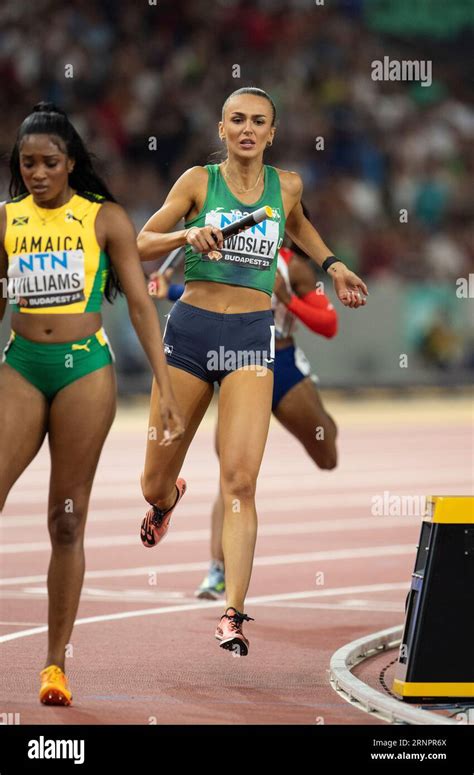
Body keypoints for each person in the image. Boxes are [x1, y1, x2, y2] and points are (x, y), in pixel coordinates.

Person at [137, 86, 367, 656]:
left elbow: (299, 226)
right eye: (236, 120)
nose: (246, 129)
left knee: (241, 481)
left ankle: (232, 611)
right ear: (221, 130)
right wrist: (186, 234)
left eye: (257, 122)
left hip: (249, 339)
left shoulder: (286, 185)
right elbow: (141, 243)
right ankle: (166, 502)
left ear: (272, 131)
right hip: (189, 334)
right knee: (152, 481)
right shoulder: (196, 182)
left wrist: (334, 266)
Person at [0, 102, 184, 706]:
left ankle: (55, 665)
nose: (37, 173)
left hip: (84, 371)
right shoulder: (7, 218)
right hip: (21, 366)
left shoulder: (104, 219)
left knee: (66, 518)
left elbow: (138, 304)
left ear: (72, 162)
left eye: (49, 162)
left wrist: (164, 388)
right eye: (27, 164)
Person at [147, 222, 340, 601]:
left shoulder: (294, 268)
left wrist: (287, 299)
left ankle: (322, 423)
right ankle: (217, 571)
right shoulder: (220, 246)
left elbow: (329, 324)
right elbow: (196, 296)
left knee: (327, 453)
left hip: (279, 361)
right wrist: (163, 289)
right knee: (233, 476)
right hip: (233, 364)